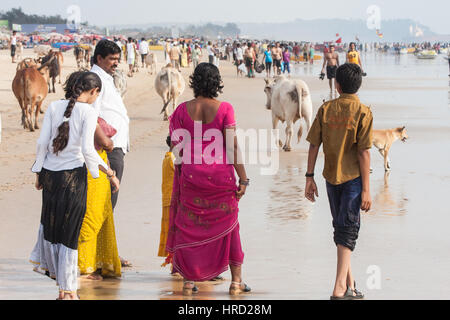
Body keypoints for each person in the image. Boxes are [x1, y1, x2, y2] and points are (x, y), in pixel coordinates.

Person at [29, 71, 120, 300]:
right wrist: (108, 173)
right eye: (96, 94)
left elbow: (42, 143)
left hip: (51, 176)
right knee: (69, 235)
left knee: (53, 231)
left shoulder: (53, 107)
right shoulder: (88, 111)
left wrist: (38, 171)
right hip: (73, 179)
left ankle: (63, 288)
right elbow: (88, 151)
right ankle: (68, 291)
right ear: (93, 92)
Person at [166, 63, 251, 296]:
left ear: (194, 82)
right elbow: (232, 146)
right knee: (231, 226)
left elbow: (176, 146)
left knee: (189, 225)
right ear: (217, 83)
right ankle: (236, 281)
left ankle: (187, 281)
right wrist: (243, 179)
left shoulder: (182, 111)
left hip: (191, 176)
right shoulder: (225, 109)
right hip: (220, 177)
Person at [304, 63, 373, 300]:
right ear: (359, 85)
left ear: (337, 84)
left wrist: (309, 177)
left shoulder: (326, 109)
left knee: (342, 230)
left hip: (331, 179)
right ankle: (339, 289)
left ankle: (350, 285)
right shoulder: (363, 112)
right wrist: (367, 189)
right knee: (347, 231)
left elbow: (314, 144)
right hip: (353, 180)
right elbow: (364, 153)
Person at [91, 40, 131, 268]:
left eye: (117, 59)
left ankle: (106, 253)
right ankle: (100, 256)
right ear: (99, 59)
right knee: (104, 202)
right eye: (111, 59)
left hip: (116, 148)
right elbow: (92, 114)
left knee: (109, 203)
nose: (116, 63)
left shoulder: (107, 78)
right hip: (108, 149)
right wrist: (105, 143)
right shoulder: (95, 79)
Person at [78, 114, 122, 281]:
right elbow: (105, 144)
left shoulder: (63, 112)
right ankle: (85, 266)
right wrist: (111, 173)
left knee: (94, 217)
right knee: (93, 218)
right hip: (94, 171)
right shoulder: (87, 115)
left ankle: (93, 263)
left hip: (89, 167)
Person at [158, 136, 176, 266]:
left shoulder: (167, 157)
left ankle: (173, 261)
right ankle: (176, 261)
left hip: (167, 199)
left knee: (170, 230)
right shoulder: (173, 159)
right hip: (172, 200)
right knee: (175, 231)